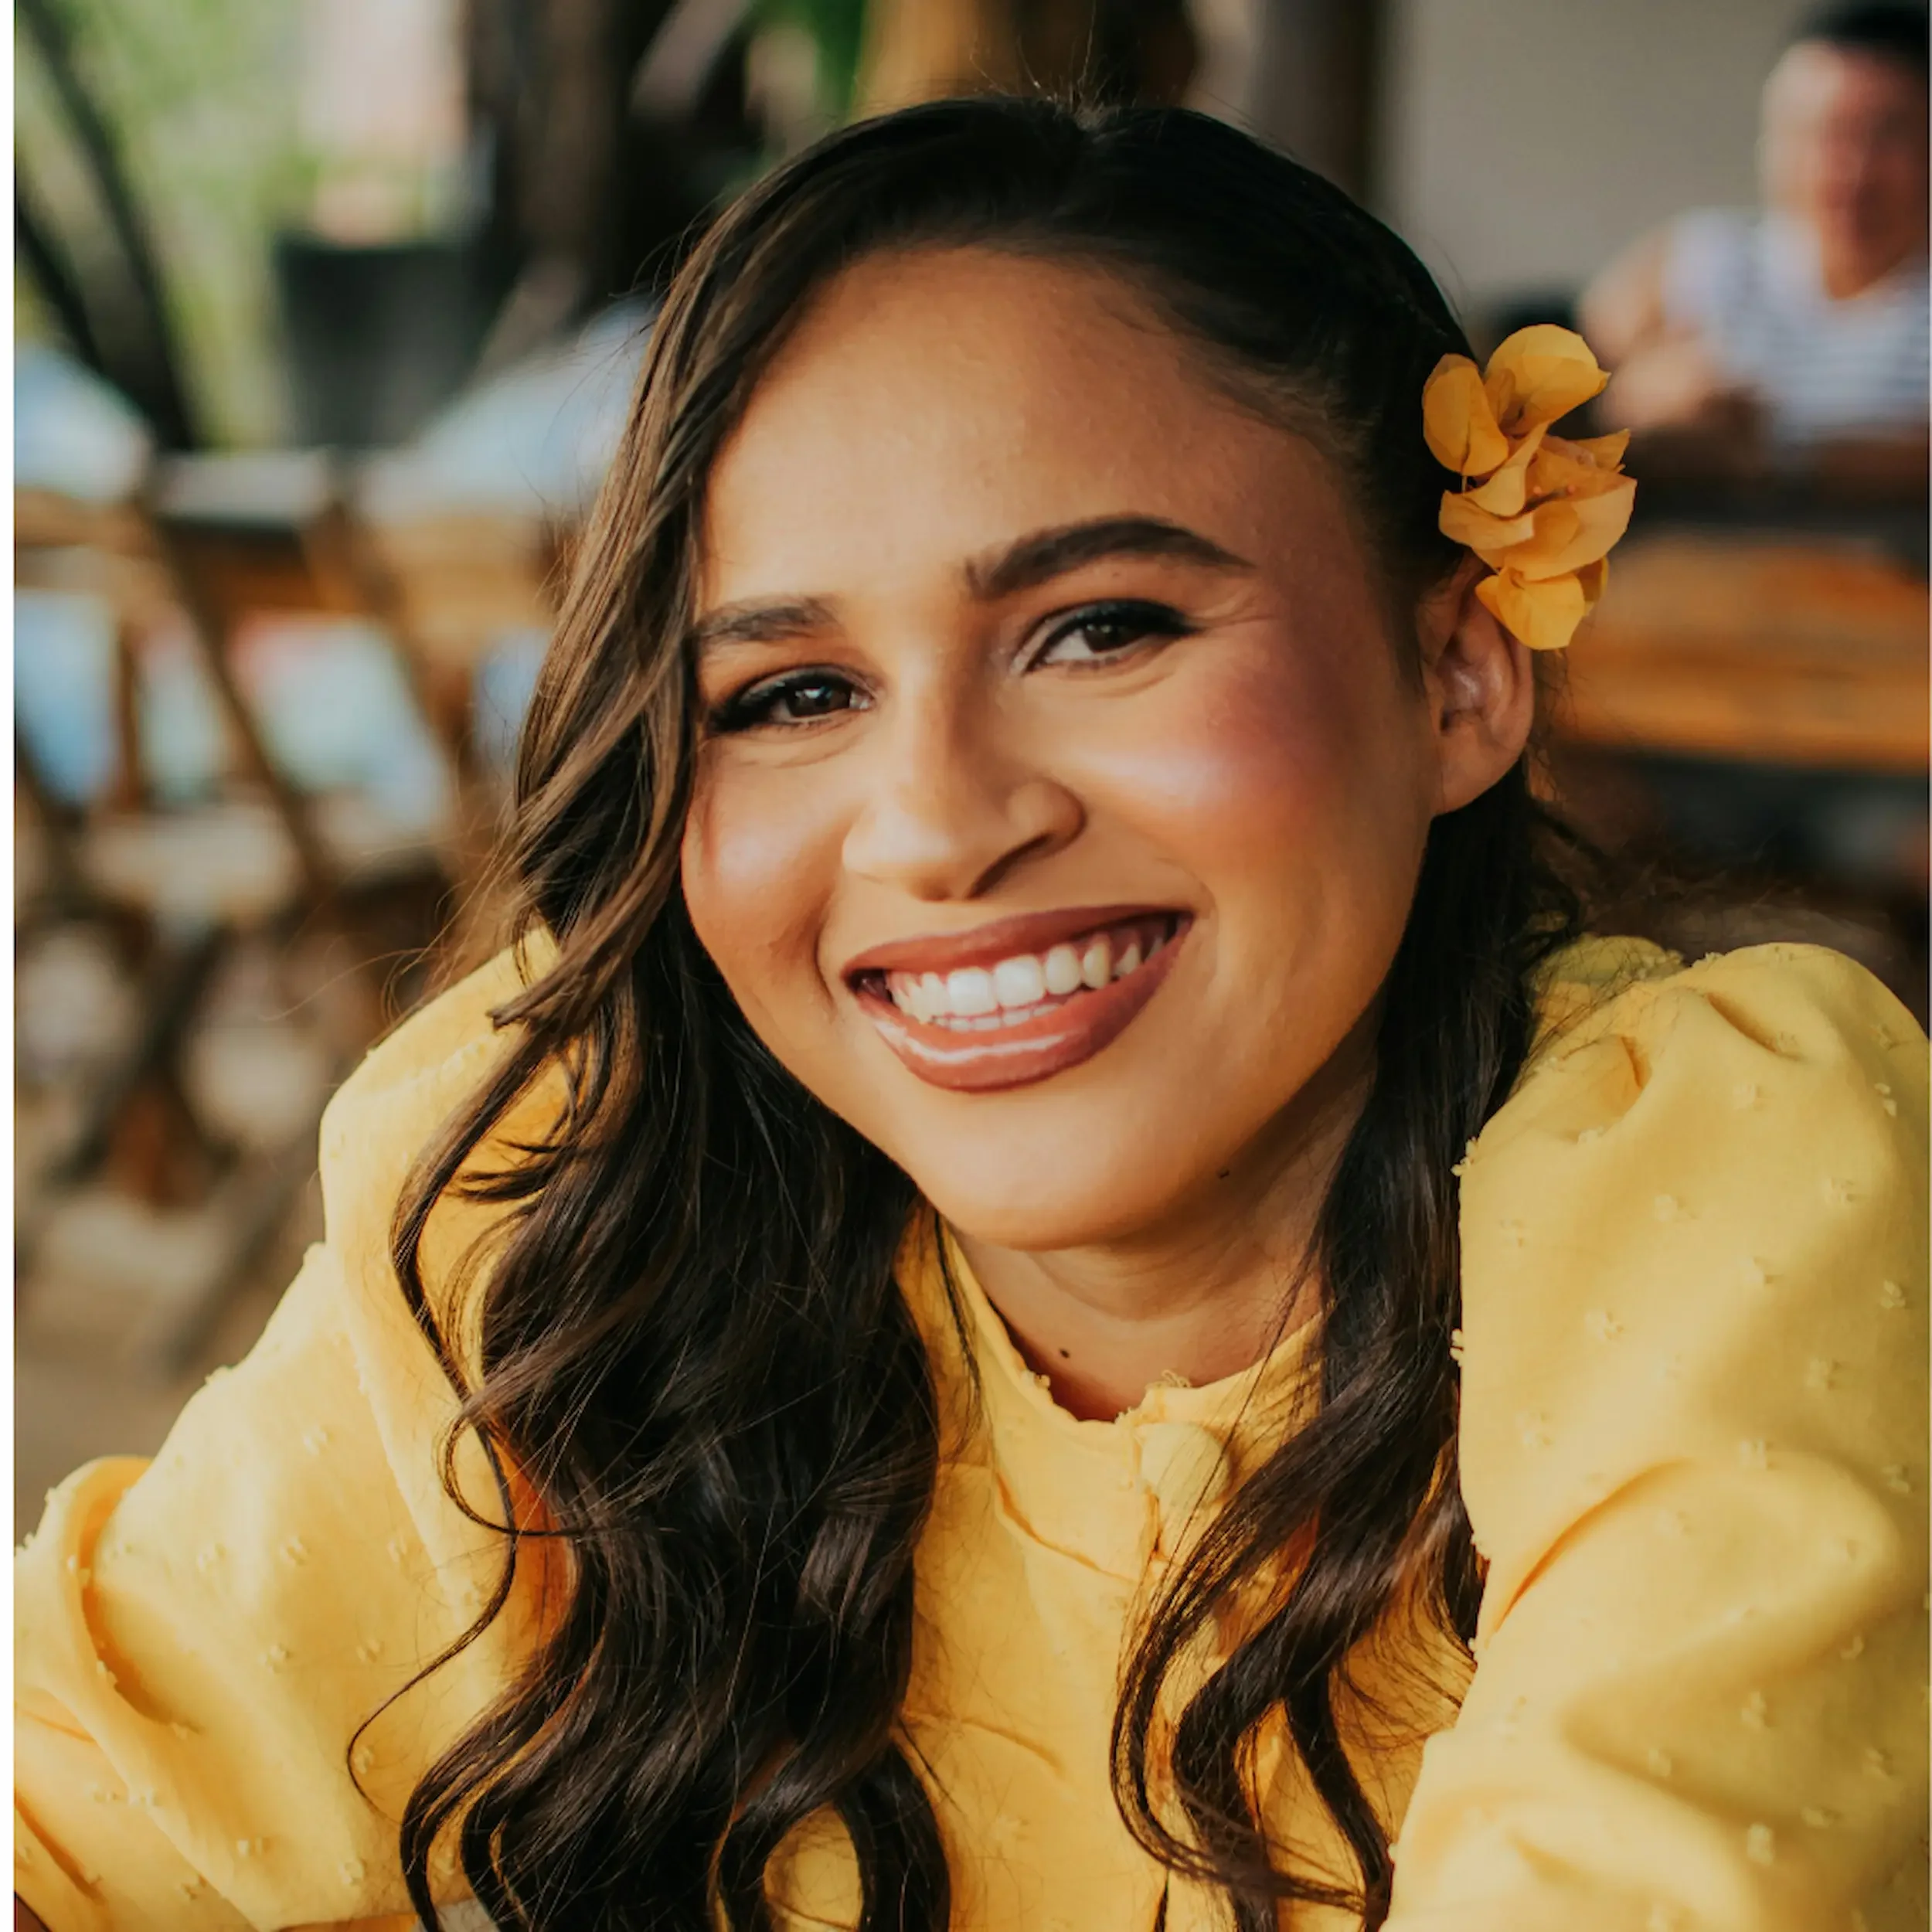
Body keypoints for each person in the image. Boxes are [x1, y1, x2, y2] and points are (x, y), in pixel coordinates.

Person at [14, 99, 1927, 1932]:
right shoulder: (577, 1194)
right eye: (790, 695)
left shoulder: (1729, 1180)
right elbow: (71, 1797)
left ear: (1456, 676)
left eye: (1100, 628)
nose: (935, 823)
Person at [1582, 2, 1929, 489]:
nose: (1849, 171)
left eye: (1885, 135)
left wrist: (1773, 454)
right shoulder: (1692, 263)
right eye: (1818, 133)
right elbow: (1564, 401)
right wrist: (1638, 405)